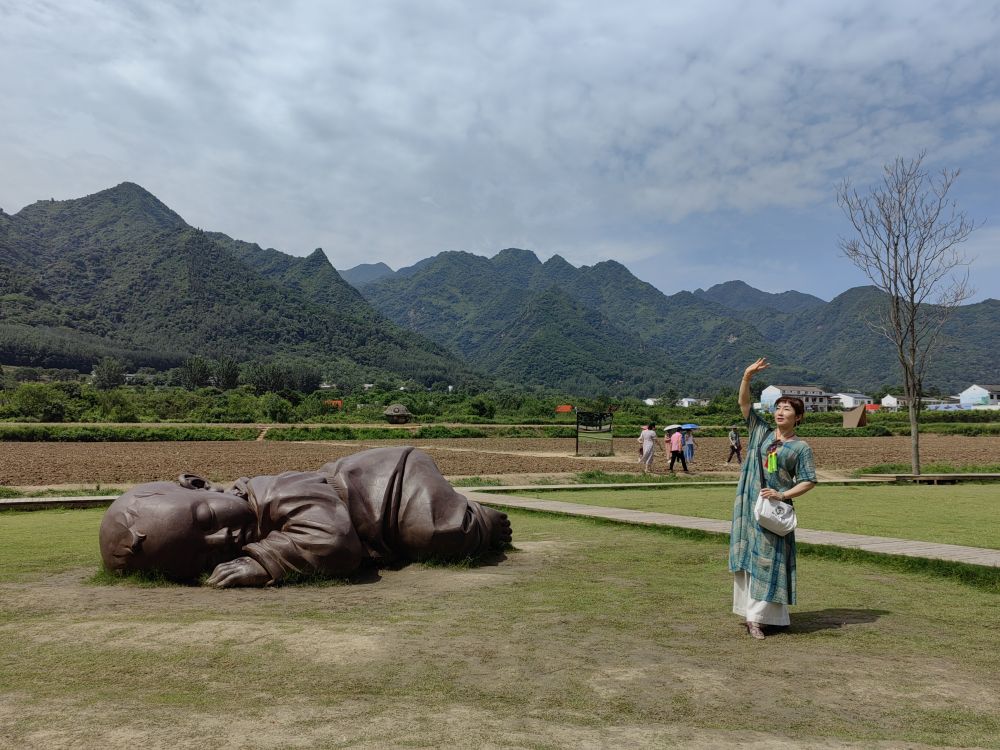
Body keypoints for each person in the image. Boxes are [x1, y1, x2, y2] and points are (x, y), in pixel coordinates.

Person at [99, 446, 512, 586]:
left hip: (392, 484)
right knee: (422, 539)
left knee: (437, 533)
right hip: (376, 528)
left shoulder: (274, 493)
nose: (222, 539)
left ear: (199, 483)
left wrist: (266, 560)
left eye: (207, 520)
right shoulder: (253, 523)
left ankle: (483, 519)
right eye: (207, 558)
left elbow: (333, 542)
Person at [729, 358, 817, 639]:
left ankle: (763, 617)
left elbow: (808, 480)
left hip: (773, 510)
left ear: (798, 417)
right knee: (749, 559)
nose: (780, 412)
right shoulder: (760, 433)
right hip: (748, 505)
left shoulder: (800, 448)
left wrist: (782, 493)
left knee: (770, 559)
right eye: (778, 407)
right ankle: (754, 616)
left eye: (787, 409)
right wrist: (746, 376)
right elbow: (744, 405)